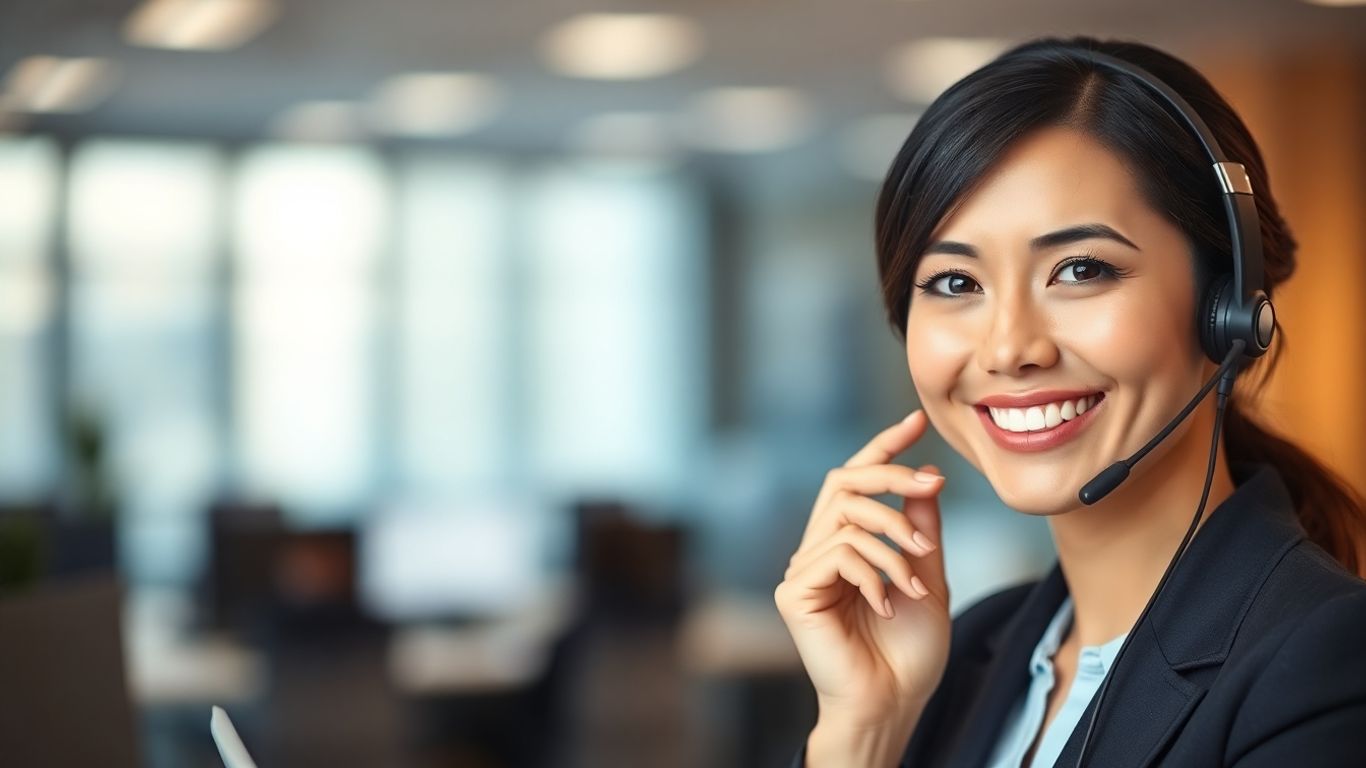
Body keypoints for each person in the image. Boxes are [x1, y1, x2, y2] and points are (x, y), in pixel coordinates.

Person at [774, 35, 1366, 768]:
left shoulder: (1324, 661)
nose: (1007, 349)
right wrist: (864, 731)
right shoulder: (961, 659)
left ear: (1229, 307)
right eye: (957, 283)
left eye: (1080, 269)